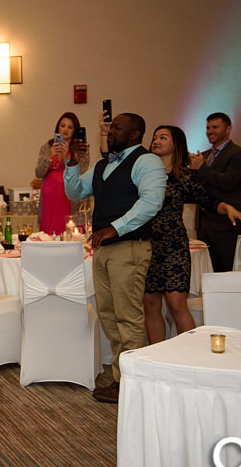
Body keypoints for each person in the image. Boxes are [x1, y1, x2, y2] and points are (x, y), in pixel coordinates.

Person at [65, 114, 166, 404]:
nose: (110, 132)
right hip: (104, 250)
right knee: (109, 315)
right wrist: (72, 163)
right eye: (110, 127)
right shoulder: (103, 164)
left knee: (128, 316)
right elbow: (74, 192)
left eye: (117, 128)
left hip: (130, 247)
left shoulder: (147, 162)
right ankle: (122, 377)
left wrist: (115, 227)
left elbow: (151, 202)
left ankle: (133, 383)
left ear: (135, 133)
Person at [142, 126, 241, 344]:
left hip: (174, 246)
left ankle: (189, 354)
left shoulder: (185, 176)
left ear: (176, 144)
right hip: (146, 246)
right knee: (150, 304)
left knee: (176, 304)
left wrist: (227, 208)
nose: (156, 141)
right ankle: (159, 356)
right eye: (154, 137)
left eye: (163, 137)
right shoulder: (143, 175)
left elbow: (208, 201)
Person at [189, 112, 241, 272]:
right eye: (208, 127)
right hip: (204, 223)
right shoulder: (203, 156)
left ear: (228, 129)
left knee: (227, 270)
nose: (210, 131)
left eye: (215, 127)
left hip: (226, 223)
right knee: (208, 272)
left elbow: (228, 182)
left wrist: (201, 168)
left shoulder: (239, 154)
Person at [36, 112, 89, 236]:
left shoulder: (81, 149)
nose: (65, 130)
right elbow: (38, 173)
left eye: (70, 127)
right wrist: (49, 155)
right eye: (63, 126)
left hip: (69, 199)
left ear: (74, 130)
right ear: (57, 128)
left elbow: (81, 171)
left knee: (70, 234)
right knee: (48, 236)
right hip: (49, 201)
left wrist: (66, 157)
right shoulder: (47, 146)